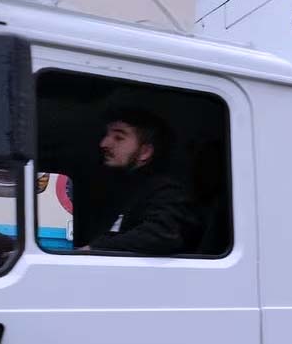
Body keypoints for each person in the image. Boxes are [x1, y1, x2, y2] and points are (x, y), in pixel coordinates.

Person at [82, 108, 202, 255]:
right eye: (106, 135)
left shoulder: (166, 190)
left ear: (145, 152)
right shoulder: (111, 189)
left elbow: (162, 234)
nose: (104, 143)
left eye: (119, 138)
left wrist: (95, 249)